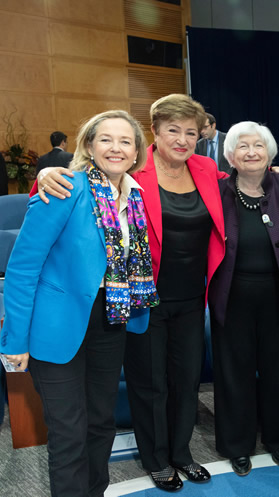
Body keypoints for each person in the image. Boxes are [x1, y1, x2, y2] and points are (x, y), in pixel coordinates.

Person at [35, 94, 227, 492]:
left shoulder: (206, 168)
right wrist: (46, 174)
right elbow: (81, 179)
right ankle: (156, 459)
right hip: (142, 298)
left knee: (186, 380)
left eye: (191, 132)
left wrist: (276, 168)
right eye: (172, 130)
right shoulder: (135, 169)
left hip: (193, 297)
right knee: (150, 383)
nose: (182, 139)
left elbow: (242, 175)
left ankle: (181, 452)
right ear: (153, 132)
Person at [0, 110, 159, 497]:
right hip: (56, 325)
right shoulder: (65, 187)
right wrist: (14, 340)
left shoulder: (136, 194)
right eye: (106, 139)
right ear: (89, 145)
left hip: (111, 318)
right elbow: (22, 269)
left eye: (125, 141)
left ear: (137, 151)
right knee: (69, 432)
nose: (116, 148)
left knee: (101, 423)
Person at [208, 121, 279, 476]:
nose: (251, 152)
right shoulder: (216, 191)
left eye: (258, 145)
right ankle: (237, 444)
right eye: (242, 146)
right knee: (234, 371)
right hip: (232, 295)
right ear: (230, 156)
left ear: (270, 153)